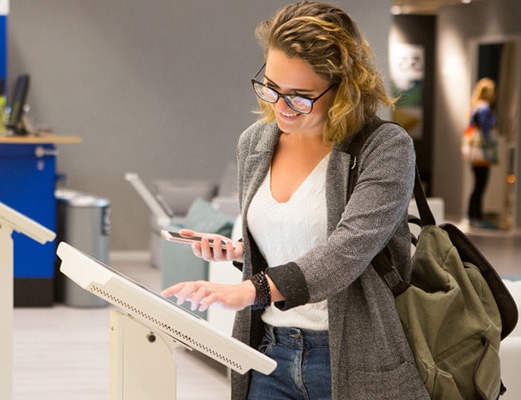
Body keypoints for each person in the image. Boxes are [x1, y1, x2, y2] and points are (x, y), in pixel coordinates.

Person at [162, 2, 429, 399]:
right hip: (268, 352)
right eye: (271, 87)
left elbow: (347, 252)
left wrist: (253, 288)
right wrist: (240, 252)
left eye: (300, 96)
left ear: (344, 87)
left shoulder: (384, 148)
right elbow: (297, 240)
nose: (280, 107)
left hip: (351, 358)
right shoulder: (255, 143)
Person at [467, 77, 498, 229]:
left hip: (474, 153)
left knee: (476, 186)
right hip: (483, 153)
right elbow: (486, 129)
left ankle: (473, 216)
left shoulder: (474, 107)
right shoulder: (485, 108)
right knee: (480, 186)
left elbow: (469, 130)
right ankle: (477, 217)